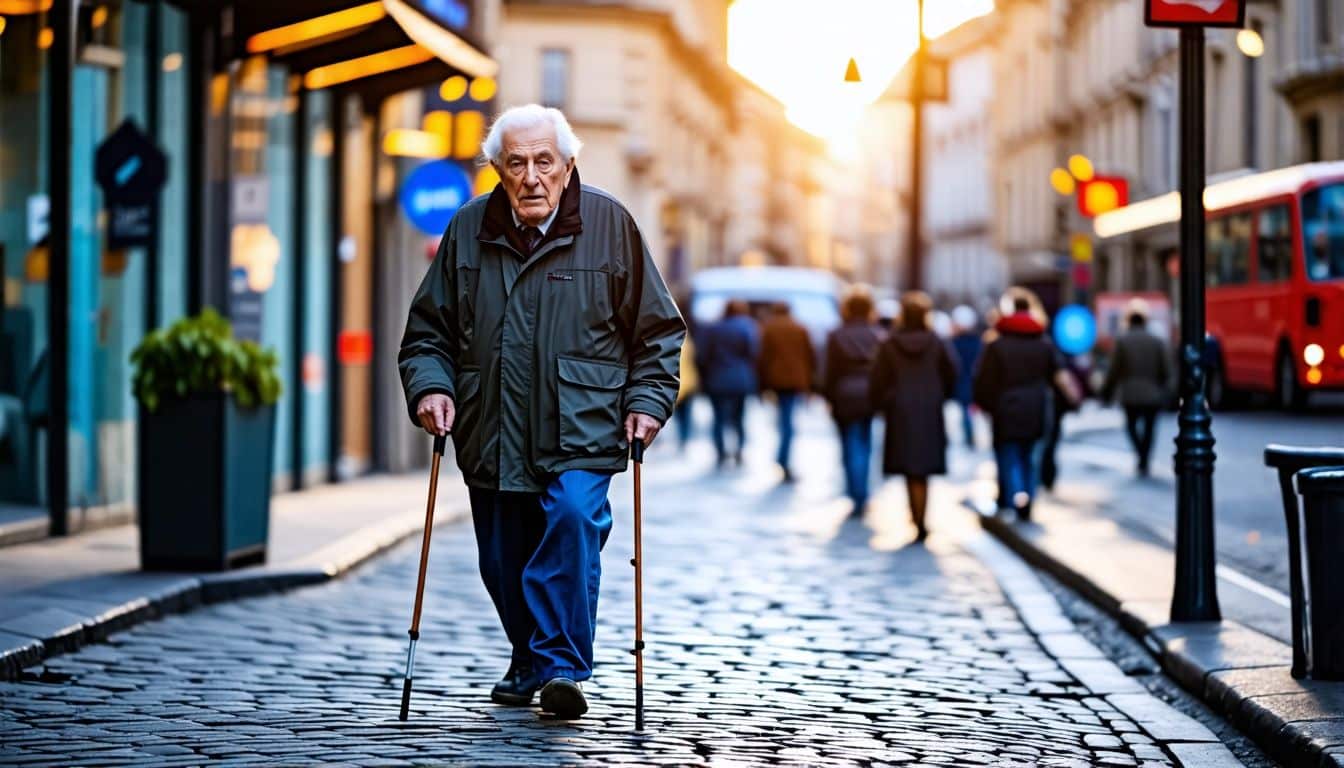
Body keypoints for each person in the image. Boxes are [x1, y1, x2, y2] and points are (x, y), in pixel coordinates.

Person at [398, 105, 684, 720]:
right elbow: (428, 334)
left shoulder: (611, 225)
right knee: (503, 559)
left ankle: (559, 668)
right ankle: (528, 656)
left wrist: (647, 402)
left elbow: (657, 331)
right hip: (492, 427)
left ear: (568, 165)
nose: (531, 177)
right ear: (498, 170)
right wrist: (430, 388)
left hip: (582, 424)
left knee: (574, 521)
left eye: (544, 162)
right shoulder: (468, 229)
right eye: (516, 163)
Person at [973, 289, 1078, 519]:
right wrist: (1074, 399)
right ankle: (1028, 499)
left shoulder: (996, 344)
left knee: (1007, 455)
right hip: (1037, 406)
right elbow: (1060, 376)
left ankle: (1010, 498)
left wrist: (987, 406)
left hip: (1005, 407)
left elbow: (983, 381)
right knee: (1031, 457)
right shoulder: (1044, 343)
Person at [869, 291, 957, 540]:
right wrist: (940, 395)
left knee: (910, 468)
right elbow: (952, 372)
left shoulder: (889, 344)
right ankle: (921, 518)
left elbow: (878, 379)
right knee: (923, 469)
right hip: (929, 409)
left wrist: (883, 403)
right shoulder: (937, 342)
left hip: (900, 410)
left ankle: (916, 516)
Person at [823, 285, 885, 515]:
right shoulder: (878, 335)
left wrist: (828, 396)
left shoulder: (836, 335)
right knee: (865, 443)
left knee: (848, 444)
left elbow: (830, 371)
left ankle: (854, 491)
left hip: (844, 393)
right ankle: (862, 493)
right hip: (869, 394)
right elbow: (883, 372)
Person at [1101, 299, 1172, 476]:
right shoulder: (1157, 340)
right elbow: (1166, 369)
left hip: (1130, 392)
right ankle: (1144, 458)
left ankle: (1140, 454)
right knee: (1149, 428)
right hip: (1152, 392)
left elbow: (1114, 369)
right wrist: (1166, 389)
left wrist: (1106, 391)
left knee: (1131, 426)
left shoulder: (1122, 340)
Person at [698, 300, 759, 467]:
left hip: (717, 379)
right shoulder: (747, 327)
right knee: (739, 417)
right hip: (740, 379)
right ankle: (739, 450)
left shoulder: (714, 328)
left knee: (718, 418)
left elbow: (703, 355)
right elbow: (753, 353)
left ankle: (720, 452)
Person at [758, 302, 814, 481]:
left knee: (784, 421)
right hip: (796, 381)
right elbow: (810, 357)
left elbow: (763, 358)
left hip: (776, 380)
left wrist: (762, 385)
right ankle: (783, 459)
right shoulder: (800, 328)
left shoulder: (769, 329)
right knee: (788, 421)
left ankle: (782, 458)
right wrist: (810, 385)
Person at [949, 305, 982, 447]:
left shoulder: (953, 344)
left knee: (966, 411)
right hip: (971, 382)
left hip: (963, 382)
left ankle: (969, 437)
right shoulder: (978, 342)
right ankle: (969, 436)